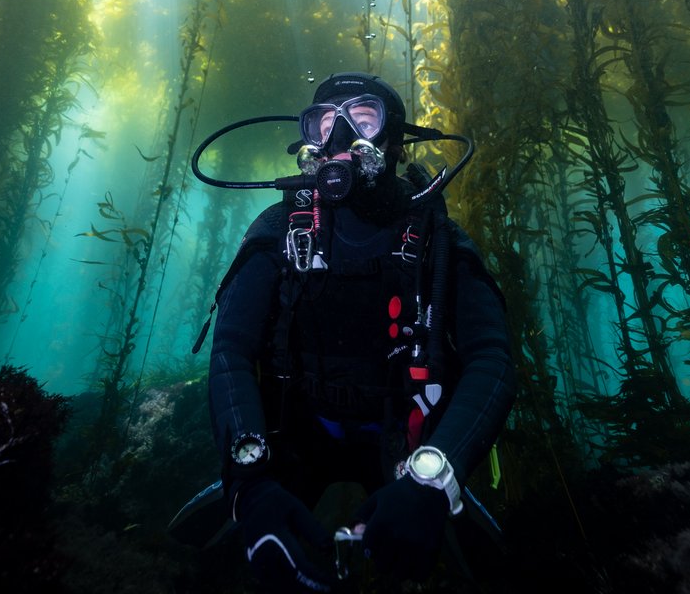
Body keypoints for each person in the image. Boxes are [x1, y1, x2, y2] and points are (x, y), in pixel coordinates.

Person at [202, 72, 516, 591]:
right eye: (324, 122)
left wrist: (435, 481)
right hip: (298, 433)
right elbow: (231, 349)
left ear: (393, 140)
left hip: (404, 447)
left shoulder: (437, 236)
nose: (340, 136)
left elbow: (493, 359)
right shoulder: (281, 228)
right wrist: (250, 482)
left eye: (361, 117)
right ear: (309, 141)